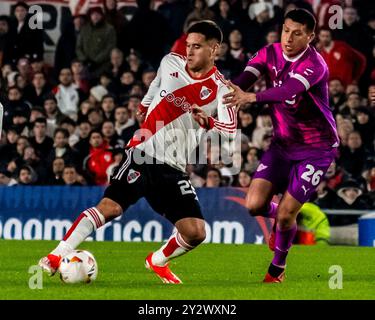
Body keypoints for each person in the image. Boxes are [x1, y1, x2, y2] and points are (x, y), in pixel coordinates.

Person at [38, 21, 237, 284]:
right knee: (110, 208)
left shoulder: (222, 88)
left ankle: (156, 261)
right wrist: (144, 106)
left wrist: (209, 122)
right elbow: (156, 83)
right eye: (188, 45)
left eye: (197, 47)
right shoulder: (170, 62)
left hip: (174, 168)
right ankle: (55, 256)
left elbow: (231, 130)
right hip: (142, 152)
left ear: (215, 50)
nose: (189, 51)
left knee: (196, 232)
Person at [223, 9, 339, 283]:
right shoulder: (269, 52)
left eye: (297, 33)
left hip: (317, 148)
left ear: (310, 37)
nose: (288, 38)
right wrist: (224, 93)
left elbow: (287, 91)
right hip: (282, 144)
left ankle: (277, 269)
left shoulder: (315, 64)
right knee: (254, 205)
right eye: (286, 30)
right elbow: (243, 79)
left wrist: (250, 97)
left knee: (288, 214)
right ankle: (281, 220)